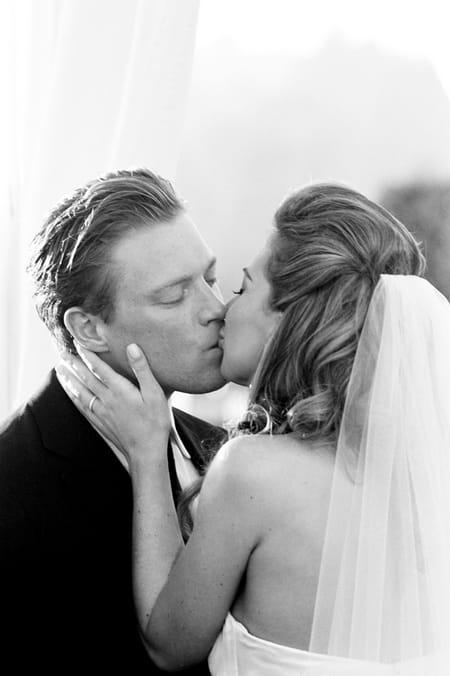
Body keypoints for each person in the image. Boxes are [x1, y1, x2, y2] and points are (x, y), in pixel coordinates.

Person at [59, 183, 450, 675]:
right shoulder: (425, 475)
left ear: (288, 320)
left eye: (240, 287)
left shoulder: (253, 472)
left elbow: (168, 643)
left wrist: (146, 451)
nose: (222, 308)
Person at [0, 168, 226, 674]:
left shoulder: (221, 447)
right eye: (174, 296)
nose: (216, 310)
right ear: (89, 328)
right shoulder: (11, 490)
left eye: (210, 279)